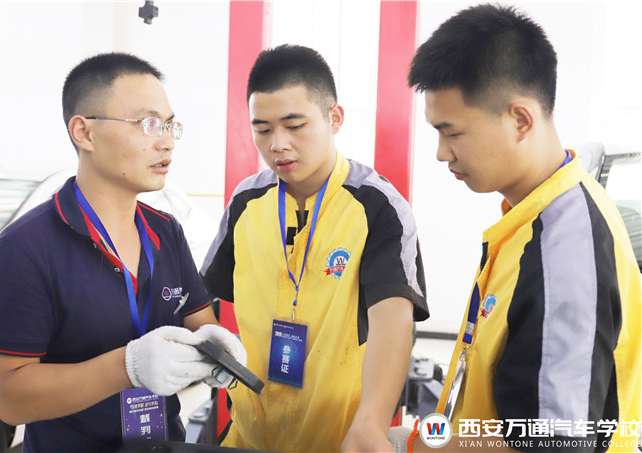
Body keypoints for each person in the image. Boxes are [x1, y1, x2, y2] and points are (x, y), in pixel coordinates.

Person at [0, 52, 246, 453]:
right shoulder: (24, 249)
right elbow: (9, 399)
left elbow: (198, 323)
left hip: (162, 444)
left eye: (170, 125)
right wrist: (128, 367)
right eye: (148, 123)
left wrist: (214, 347)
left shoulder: (166, 231)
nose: (166, 141)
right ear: (84, 133)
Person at [407, 4, 641, 452]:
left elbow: (555, 442)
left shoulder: (565, 251)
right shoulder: (533, 219)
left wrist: (423, 447)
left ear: (520, 120)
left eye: (452, 133)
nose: (441, 153)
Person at [200, 44, 429, 453]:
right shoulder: (246, 202)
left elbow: (393, 318)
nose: (278, 144)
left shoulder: (376, 206)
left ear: (334, 118)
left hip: (340, 441)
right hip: (247, 437)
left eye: (294, 125)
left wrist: (372, 423)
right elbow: (205, 297)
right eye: (263, 129)